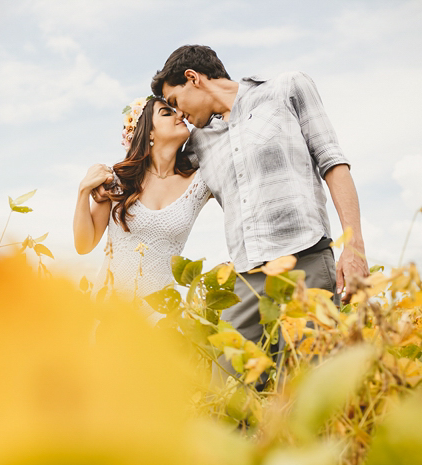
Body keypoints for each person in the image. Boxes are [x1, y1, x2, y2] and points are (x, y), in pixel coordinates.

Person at [151, 45, 369, 389]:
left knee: (302, 388)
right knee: (225, 392)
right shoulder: (200, 142)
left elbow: (333, 163)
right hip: (245, 279)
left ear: (192, 78)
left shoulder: (286, 89)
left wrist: (353, 247)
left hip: (306, 260)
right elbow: (157, 168)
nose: (179, 115)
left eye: (176, 102)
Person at [72, 95, 211, 317]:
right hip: (110, 312)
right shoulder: (118, 179)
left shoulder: (201, 182)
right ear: (148, 133)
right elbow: (83, 245)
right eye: (167, 113)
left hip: (162, 318)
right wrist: (83, 191)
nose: (180, 115)